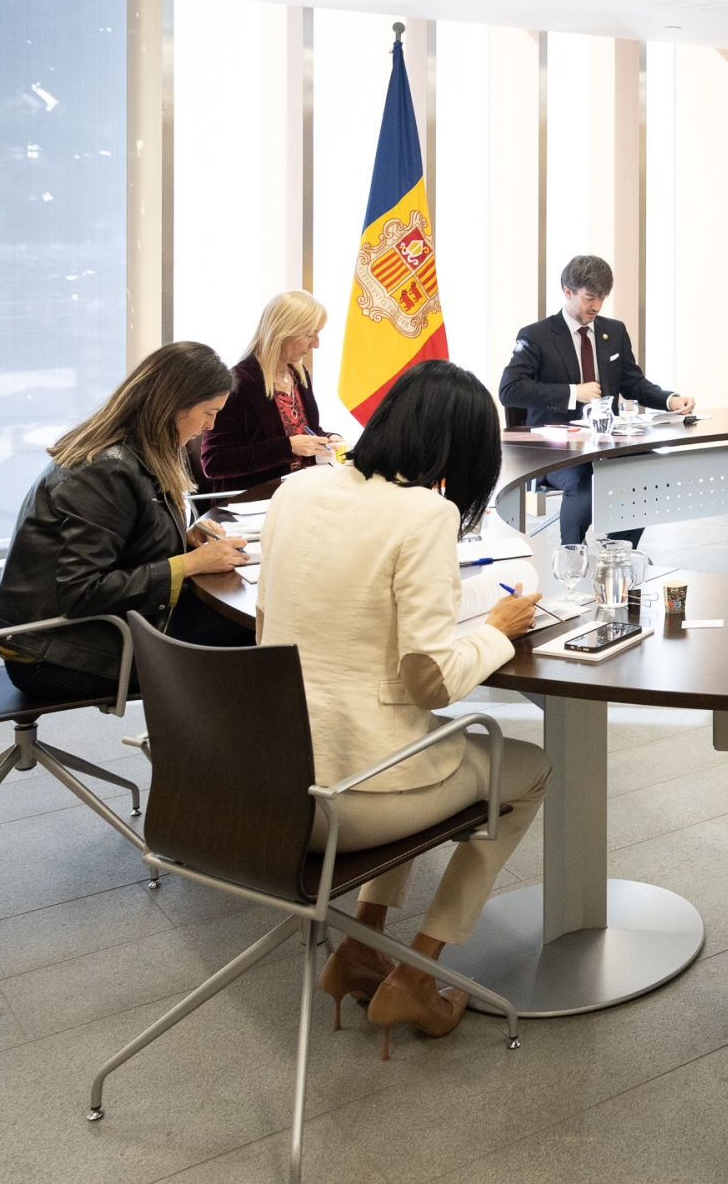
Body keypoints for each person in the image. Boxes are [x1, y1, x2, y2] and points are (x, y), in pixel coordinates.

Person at [257, 359, 551, 1049]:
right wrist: (496, 631)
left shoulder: (296, 490)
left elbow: (270, 621)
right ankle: (419, 973)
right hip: (351, 801)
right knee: (527, 767)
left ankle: (364, 946)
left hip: (269, 784)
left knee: (406, 738)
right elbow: (433, 682)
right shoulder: (426, 514)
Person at [0, 342, 254, 701]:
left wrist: (183, 538)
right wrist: (189, 564)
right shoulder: (107, 469)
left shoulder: (135, 448)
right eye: (208, 412)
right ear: (174, 403)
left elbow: (119, 535)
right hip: (50, 650)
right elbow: (82, 592)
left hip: (70, 629)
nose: (210, 426)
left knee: (241, 624)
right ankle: (205, 735)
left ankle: (210, 732)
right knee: (253, 633)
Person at [499, 255, 696, 550]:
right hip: (554, 448)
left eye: (602, 298)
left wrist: (670, 400)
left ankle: (618, 551)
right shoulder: (536, 336)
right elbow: (510, 390)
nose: (596, 306)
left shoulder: (613, 332)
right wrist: (573, 392)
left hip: (606, 442)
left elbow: (633, 383)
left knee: (649, 469)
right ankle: (572, 556)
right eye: (589, 298)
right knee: (584, 481)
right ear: (568, 291)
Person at [199, 288, 343, 493]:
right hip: (255, 500)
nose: (316, 344)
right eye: (310, 334)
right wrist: (288, 447)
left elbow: (301, 430)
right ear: (283, 332)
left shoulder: (298, 375)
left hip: (302, 492)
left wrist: (327, 438)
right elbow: (215, 463)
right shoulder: (238, 383)